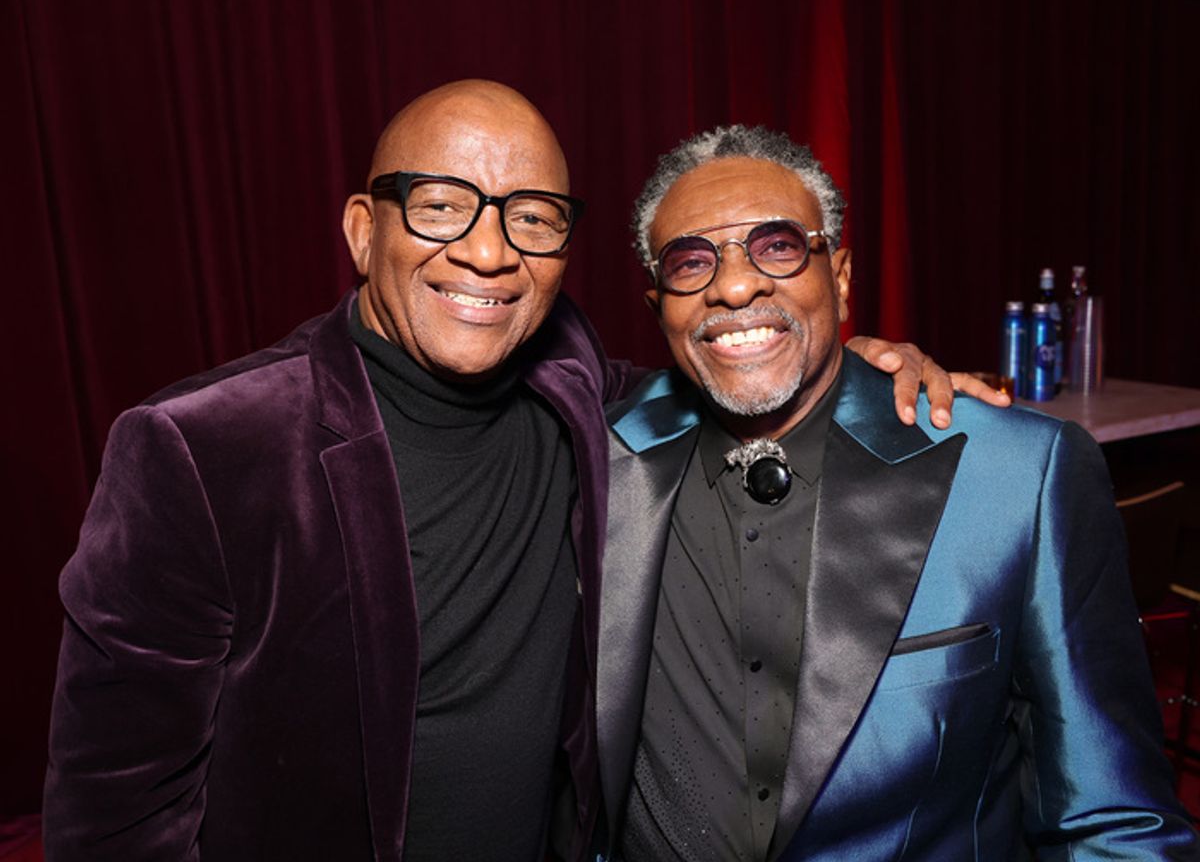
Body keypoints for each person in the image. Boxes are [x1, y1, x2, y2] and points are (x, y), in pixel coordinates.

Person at [43, 80, 995, 861]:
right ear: (363, 231)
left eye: (531, 217)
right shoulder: (203, 449)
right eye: (443, 206)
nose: (490, 251)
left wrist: (856, 362)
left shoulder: (578, 389)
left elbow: (730, 372)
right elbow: (115, 812)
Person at [597, 125, 1198, 861]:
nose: (734, 284)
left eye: (778, 245)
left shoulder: (1016, 476)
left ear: (841, 277)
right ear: (658, 304)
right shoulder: (594, 459)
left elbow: (1116, 825)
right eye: (691, 262)